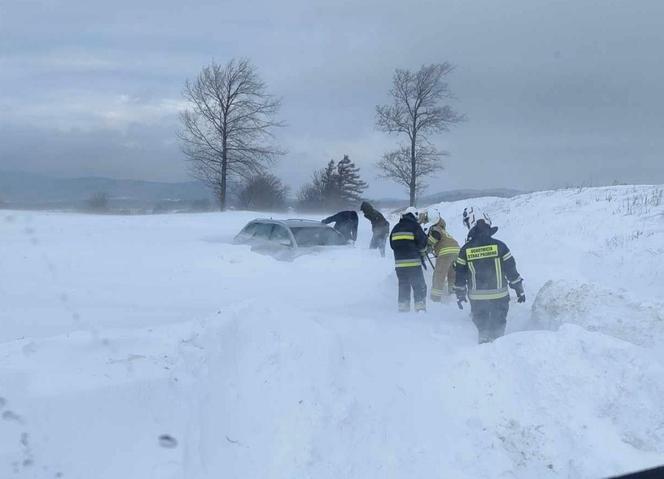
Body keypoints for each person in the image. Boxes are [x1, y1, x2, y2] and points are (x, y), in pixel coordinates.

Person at [454, 207, 526, 343]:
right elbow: (511, 270)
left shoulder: (465, 249)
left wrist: (460, 294)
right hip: (500, 297)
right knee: (498, 334)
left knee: (482, 332)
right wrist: (519, 289)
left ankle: (483, 350)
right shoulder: (500, 246)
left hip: (477, 299)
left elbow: (460, 275)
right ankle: (498, 348)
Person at [389, 207, 428, 312]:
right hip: (414, 264)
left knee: (403, 286)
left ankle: (403, 309)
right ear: (414, 216)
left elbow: (392, 245)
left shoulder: (396, 228)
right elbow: (423, 243)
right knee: (418, 285)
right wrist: (422, 251)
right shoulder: (415, 226)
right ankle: (420, 309)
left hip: (399, 265)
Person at [424, 208, 460, 302]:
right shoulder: (443, 229)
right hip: (456, 250)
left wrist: (427, 243)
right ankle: (453, 293)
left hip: (446, 252)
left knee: (439, 274)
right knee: (452, 274)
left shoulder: (435, 228)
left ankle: (435, 298)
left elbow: (435, 237)